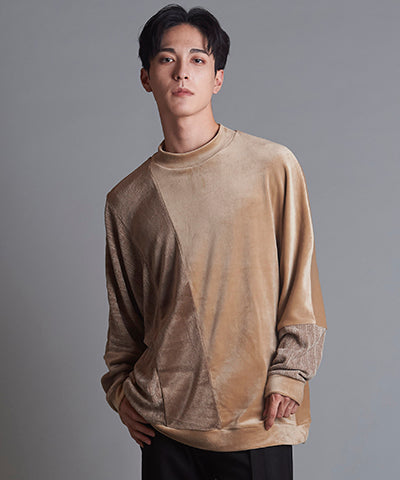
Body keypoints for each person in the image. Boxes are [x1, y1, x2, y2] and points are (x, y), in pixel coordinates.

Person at [101, 4, 327, 479]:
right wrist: (122, 392)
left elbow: (301, 284)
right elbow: (126, 322)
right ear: (146, 77)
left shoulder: (272, 166)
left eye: (198, 60)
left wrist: (291, 372)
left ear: (218, 78)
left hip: (256, 420)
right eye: (166, 59)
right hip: (164, 429)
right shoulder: (127, 200)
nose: (182, 72)